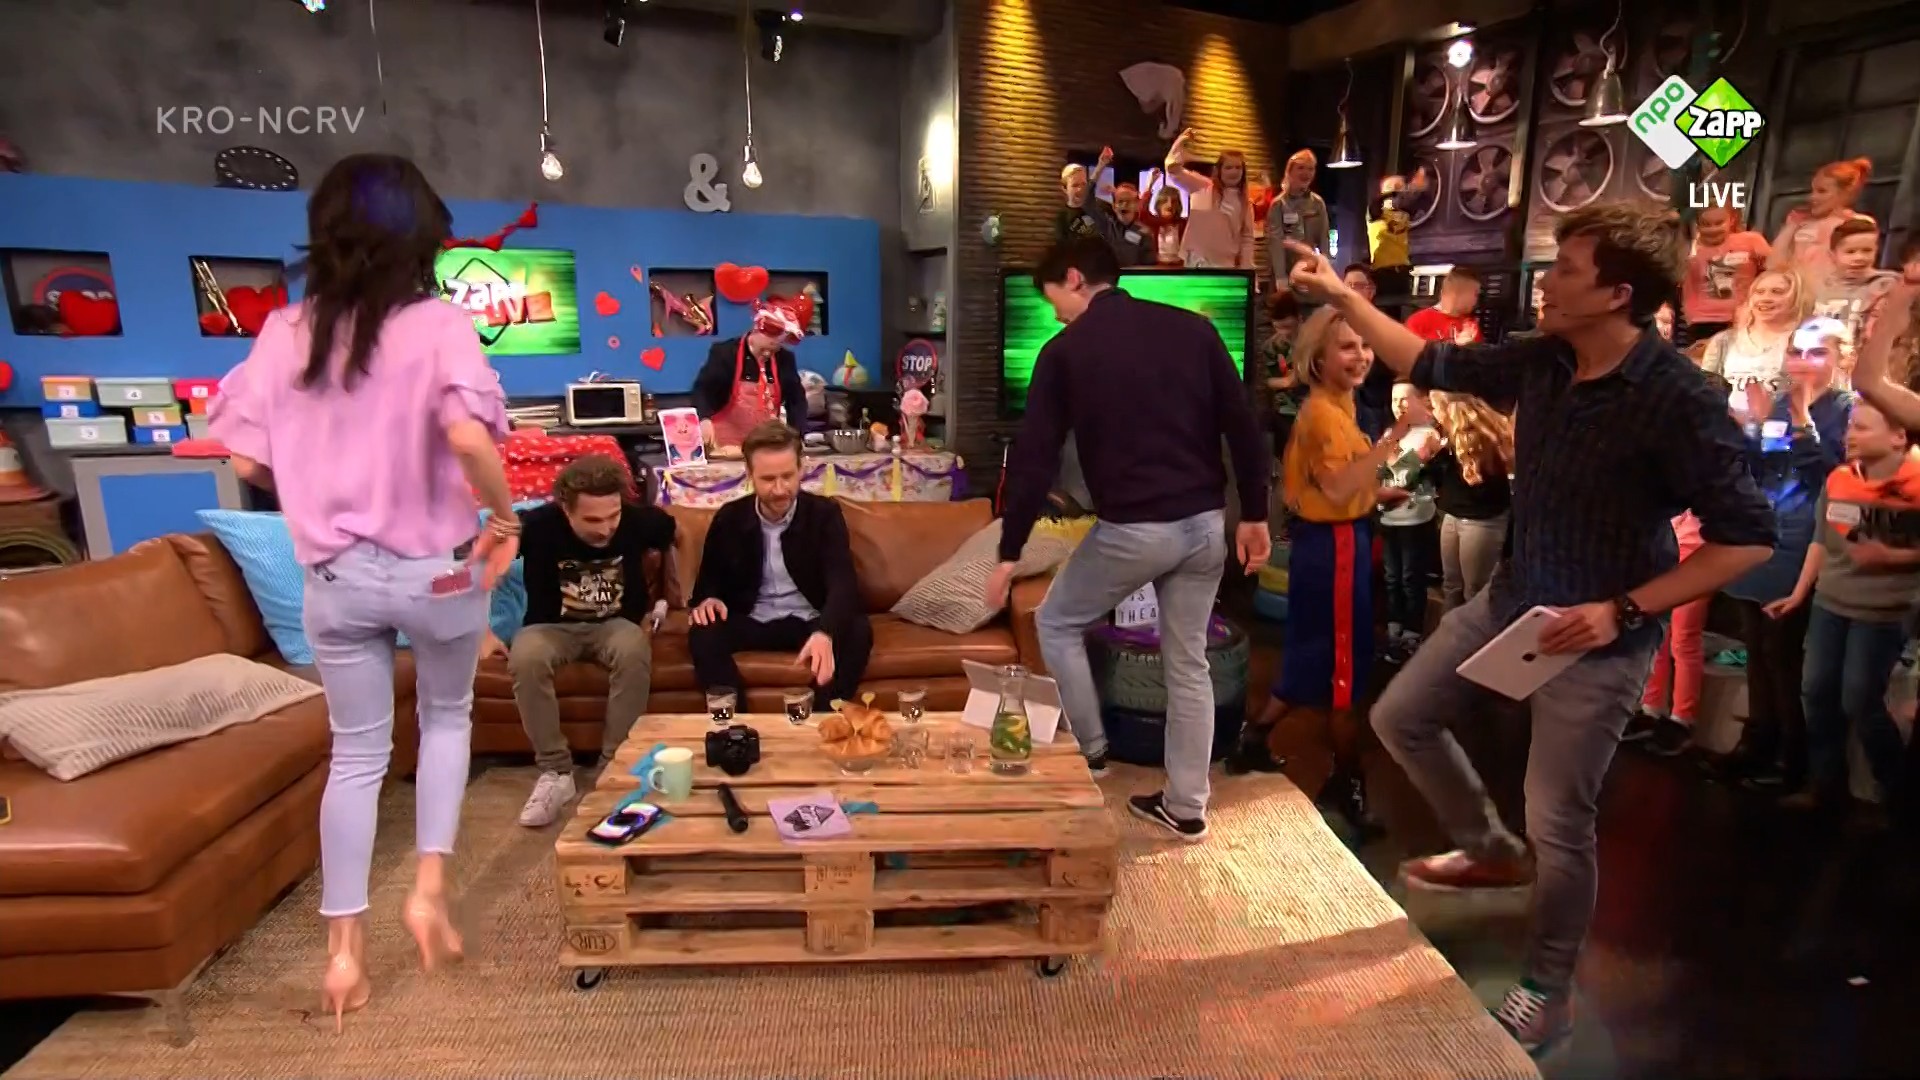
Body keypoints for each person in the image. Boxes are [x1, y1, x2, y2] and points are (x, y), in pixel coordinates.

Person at [1281, 200, 1776, 1057]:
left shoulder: (1679, 398)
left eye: (1566, 272)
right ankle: (1487, 848)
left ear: (1618, 294)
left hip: (1599, 637)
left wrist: (1624, 609)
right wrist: (1340, 293)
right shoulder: (1545, 358)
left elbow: (1748, 539)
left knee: (1559, 822)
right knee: (1402, 715)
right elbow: (1426, 358)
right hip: (1513, 600)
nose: (1546, 285)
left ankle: (1548, 990)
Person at [207, 153, 518, 1030]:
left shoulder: (284, 333)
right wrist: (505, 519)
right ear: (421, 237)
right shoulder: (437, 326)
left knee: (355, 756)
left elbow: (245, 460)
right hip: (437, 571)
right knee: (448, 719)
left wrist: (324, 475)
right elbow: (467, 439)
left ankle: (343, 956)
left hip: (335, 579)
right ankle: (427, 892)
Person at [984, 236, 1269, 840]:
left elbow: (1033, 460)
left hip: (1137, 530)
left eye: (1054, 299)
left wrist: (1010, 552)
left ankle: (1090, 751)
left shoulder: (1064, 351)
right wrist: (1255, 514)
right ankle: (1186, 806)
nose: (1056, 313)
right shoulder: (1194, 330)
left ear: (1074, 278)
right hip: (1205, 525)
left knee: (1056, 621)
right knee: (1188, 662)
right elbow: (1243, 426)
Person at [1229, 307, 1408, 833]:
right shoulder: (1324, 415)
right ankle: (1347, 786)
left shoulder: (1339, 406)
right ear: (1318, 358)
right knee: (1345, 674)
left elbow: (1341, 483)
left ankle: (1253, 741)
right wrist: (1402, 431)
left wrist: (1379, 491)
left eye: (1365, 345)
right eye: (1348, 346)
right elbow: (1336, 486)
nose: (1362, 355)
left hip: (1331, 541)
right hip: (1335, 549)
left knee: (1314, 656)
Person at [490, 455, 677, 828]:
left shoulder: (638, 520)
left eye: (613, 516)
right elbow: (483, 562)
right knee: (526, 656)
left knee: (633, 648)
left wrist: (679, 596)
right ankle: (556, 773)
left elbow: (678, 534)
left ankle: (615, 765)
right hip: (550, 628)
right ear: (566, 508)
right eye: (593, 520)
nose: (606, 528)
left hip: (615, 626)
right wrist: (483, 630)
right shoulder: (538, 525)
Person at [1711, 320, 1851, 781]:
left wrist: (1804, 420)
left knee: (1783, 652)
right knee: (1755, 645)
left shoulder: (1846, 409)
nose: (1803, 362)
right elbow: (1766, 466)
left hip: (1807, 539)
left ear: (1842, 358)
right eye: (1796, 352)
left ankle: (1794, 757)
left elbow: (1830, 478)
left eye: (1816, 352)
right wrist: (1751, 426)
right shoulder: (1776, 404)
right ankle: (1759, 740)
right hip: (1765, 532)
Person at [1773, 399, 1920, 827]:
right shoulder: (1839, 480)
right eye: (1851, 426)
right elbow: (1822, 541)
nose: (1849, 435)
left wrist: (1890, 558)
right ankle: (1826, 787)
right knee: (1816, 691)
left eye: (1862, 428)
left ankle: (1898, 795)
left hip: (1884, 610)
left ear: (1898, 436)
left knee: (1859, 699)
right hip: (1831, 602)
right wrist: (1799, 593)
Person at [687, 421, 870, 709]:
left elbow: (843, 584)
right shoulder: (729, 518)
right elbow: (706, 586)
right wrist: (709, 599)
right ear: (750, 475)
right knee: (703, 632)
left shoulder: (824, 514)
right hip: (751, 621)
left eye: (787, 476)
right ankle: (736, 722)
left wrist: (826, 632)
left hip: (807, 621)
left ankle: (822, 717)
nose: (780, 489)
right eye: (768, 479)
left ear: (801, 469)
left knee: (858, 630)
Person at [1426, 390, 1512, 611]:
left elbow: (1477, 481)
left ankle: (1476, 633)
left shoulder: (1483, 438)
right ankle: (1448, 630)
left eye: (1434, 407)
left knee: (1475, 589)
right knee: (1451, 585)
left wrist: (1451, 451)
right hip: (1452, 515)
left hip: (1480, 519)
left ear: (1449, 409)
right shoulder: (1441, 434)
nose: (1432, 412)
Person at [690, 298, 809, 451]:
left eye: (776, 348)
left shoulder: (784, 359)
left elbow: (796, 400)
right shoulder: (725, 353)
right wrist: (703, 419)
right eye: (767, 346)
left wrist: (798, 435)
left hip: (764, 445)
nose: (769, 353)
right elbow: (703, 390)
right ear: (757, 329)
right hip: (726, 445)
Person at [1378, 381, 1443, 658]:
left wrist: (1388, 461)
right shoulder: (1392, 432)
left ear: (1421, 400)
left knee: (1410, 578)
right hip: (1388, 517)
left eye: (1404, 399)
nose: (1398, 405)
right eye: (1394, 399)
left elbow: (1403, 475)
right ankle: (1394, 629)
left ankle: (1412, 634)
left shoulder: (1428, 435)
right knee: (1391, 577)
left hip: (1415, 519)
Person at [1700, 268, 1815, 415]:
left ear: (1796, 298)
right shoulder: (1723, 341)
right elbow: (1705, 393)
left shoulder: (1807, 341)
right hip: (1729, 425)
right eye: (1759, 292)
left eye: (1777, 292)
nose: (1765, 298)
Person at [1770, 157, 1875, 284]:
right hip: (1799, 292)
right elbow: (1774, 266)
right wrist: (1790, 228)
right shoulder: (1801, 225)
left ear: (1845, 193)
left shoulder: (1859, 224)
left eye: (1822, 191)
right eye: (1813, 191)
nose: (1813, 197)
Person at [1162, 128, 1255, 269]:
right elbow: (1173, 169)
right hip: (1197, 262)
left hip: (1226, 265)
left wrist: (1246, 268)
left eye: (1238, 168)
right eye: (1228, 167)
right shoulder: (1201, 186)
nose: (1234, 172)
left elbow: (1247, 238)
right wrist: (1180, 142)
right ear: (1219, 170)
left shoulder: (1245, 202)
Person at [1682, 206, 1771, 344]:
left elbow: (1777, 270)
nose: (1713, 229)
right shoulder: (1688, 249)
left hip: (1746, 318)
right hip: (1703, 321)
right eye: (1706, 224)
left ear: (1731, 220)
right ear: (1697, 225)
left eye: (1719, 223)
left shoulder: (1751, 241)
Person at [1813, 217, 1899, 357]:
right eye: (1850, 251)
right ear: (1832, 255)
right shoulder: (1821, 287)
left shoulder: (1886, 286)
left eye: (1867, 250)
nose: (1859, 257)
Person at [1269, 148, 1331, 287]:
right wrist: (1280, 277)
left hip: (1310, 271)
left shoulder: (1317, 203)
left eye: (1310, 169)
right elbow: (1276, 243)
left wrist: (1326, 271)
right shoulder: (1278, 204)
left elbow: (1324, 239)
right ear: (1289, 171)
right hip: (1285, 271)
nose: (1306, 173)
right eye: (1301, 168)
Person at [1367, 167, 1430, 298]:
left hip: (1402, 269)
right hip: (1382, 271)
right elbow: (1381, 202)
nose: (1401, 191)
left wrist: (1418, 185)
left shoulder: (1405, 212)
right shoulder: (1375, 212)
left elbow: (1420, 200)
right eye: (1397, 188)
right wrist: (1400, 189)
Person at [1406, 266, 1482, 344]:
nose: (1476, 300)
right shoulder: (1418, 322)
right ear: (1457, 294)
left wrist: (1471, 346)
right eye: (1475, 294)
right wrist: (1458, 346)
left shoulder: (1470, 326)